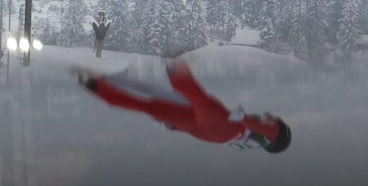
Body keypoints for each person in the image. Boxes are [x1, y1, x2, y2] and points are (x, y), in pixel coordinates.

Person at [78, 59, 291, 153]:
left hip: (221, 126)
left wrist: (243, 119)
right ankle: (95, 85)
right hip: (208, 131)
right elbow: (202, 132)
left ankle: (175, 62)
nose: (271, 115)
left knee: (196, 97)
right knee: (151, 105)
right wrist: (176, 127)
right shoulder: (250, 145)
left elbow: (265, 128)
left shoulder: (272, 132)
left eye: (276, 119)